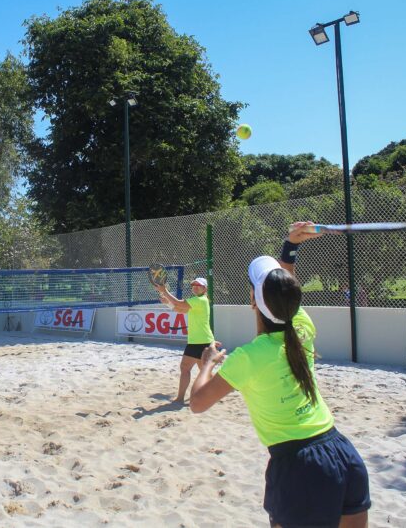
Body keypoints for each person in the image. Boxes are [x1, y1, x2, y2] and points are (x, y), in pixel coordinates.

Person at [189, 222, 371, 527]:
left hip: (298, 467)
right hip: (341, 453)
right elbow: (288, 288)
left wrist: (207, 362)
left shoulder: (248, 357)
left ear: (253, 301)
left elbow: (197, 403)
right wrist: (290, 247)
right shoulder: (302, 329)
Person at [153, 276, 219, 404]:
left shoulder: (200, 300)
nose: (195, 287)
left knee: (195, 370)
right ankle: (182, 398)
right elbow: (179, 309)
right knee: (191, 369)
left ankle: (214, 392)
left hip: (202, 342)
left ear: (205, 288)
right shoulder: (196, 301)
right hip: (197, 342)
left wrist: (165, 290)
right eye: (193, 285)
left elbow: (179, 303)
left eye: (198, 285)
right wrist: (167, 302)